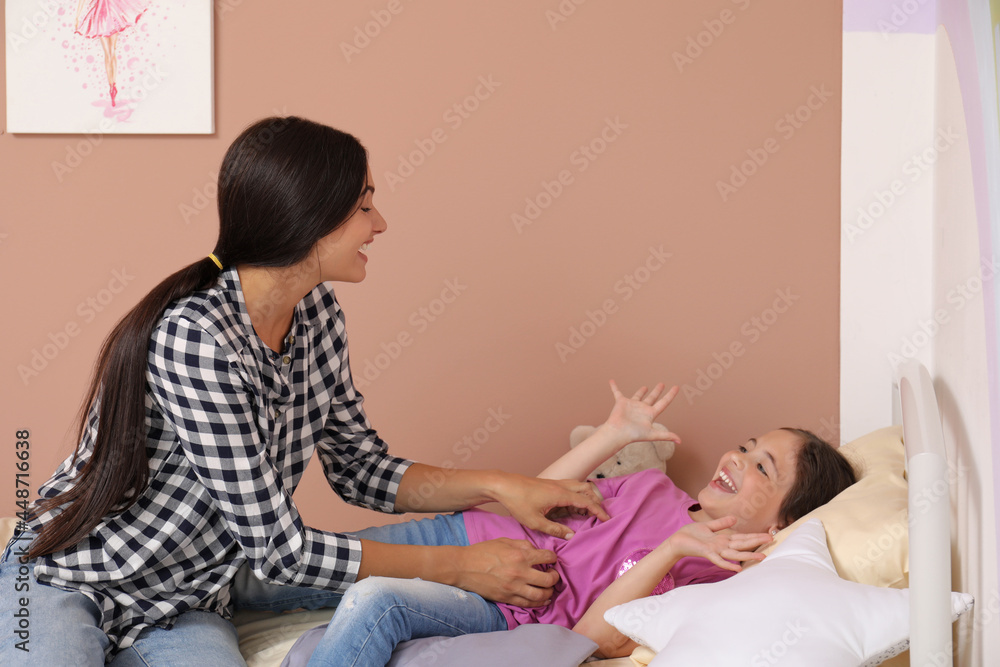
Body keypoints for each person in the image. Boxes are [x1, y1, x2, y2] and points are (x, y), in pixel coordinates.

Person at [0, 116, 606, 665]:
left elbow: (361, 472)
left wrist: (502, 487)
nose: (381, 223)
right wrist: (463, 567)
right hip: (68, 574)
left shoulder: (319, 315)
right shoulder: (196, 337)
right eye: (365, 205)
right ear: (310, 217)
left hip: (188, 597)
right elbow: (280, 552)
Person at [290, 381, 859, 665]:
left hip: (499, 603)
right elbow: (542, 500)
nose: (736, 458)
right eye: (746, 445)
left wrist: (672, 551)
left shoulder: (715, 573)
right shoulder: (650, 486)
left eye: (762, 467)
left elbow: (592, 637)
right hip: (466, 535)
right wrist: (614, 435)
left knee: (373, 603)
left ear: (784, 520)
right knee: (279, 572)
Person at [74, 0, 151, 106]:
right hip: (110, 12)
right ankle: (113, 84)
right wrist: (77, 16)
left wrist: (77, 17)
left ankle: (111, 85)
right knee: (111, 52)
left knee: (108, 53)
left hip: (103, 15)